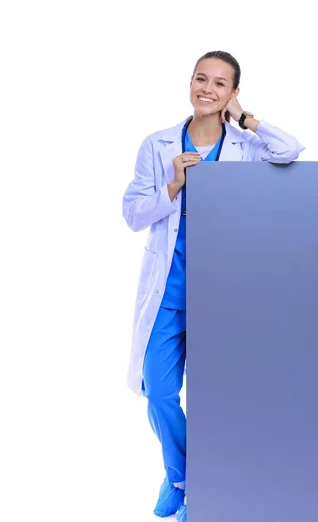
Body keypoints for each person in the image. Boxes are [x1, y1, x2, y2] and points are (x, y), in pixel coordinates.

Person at [122, 50, 305, 521]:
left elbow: (291, 150)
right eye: (200, 79)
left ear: (233, 93)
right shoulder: (158, 145)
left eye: (220, 84)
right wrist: (174, 185)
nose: (207, 88)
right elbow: (132, 214)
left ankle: (199, 494)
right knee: (158, 391)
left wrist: (247, 120)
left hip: (219, 296)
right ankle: (180, 475)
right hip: (167, 293)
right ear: (190, 83)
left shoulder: (244, 147)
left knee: (215, 401)